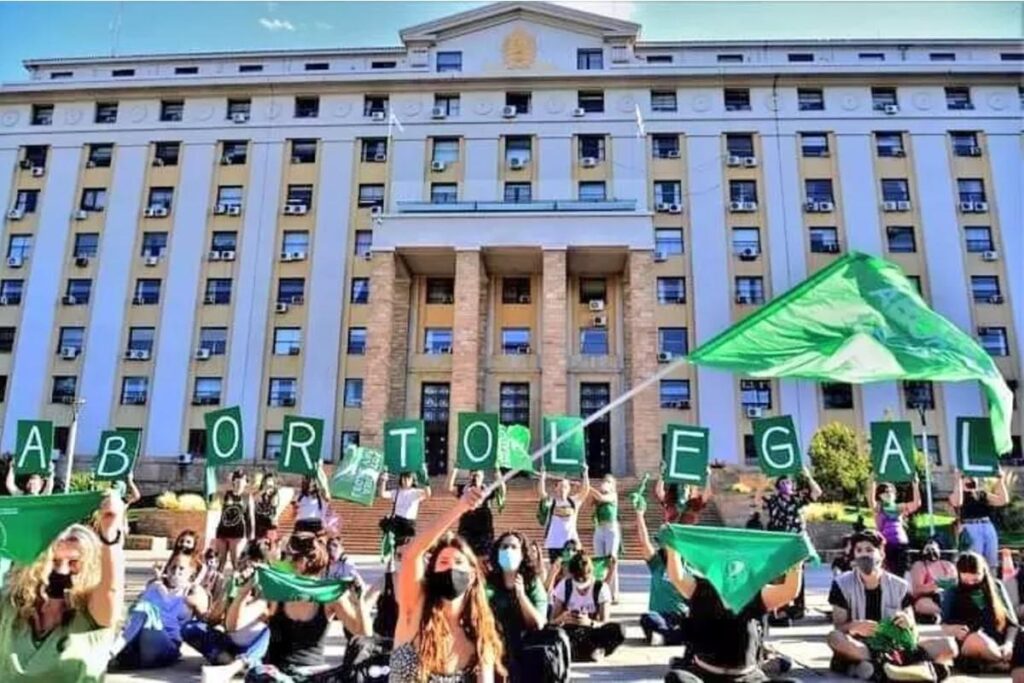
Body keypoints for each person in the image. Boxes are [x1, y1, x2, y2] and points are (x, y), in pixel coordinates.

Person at [0, 491, 125, 682]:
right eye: (53, 561)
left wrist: (109, 537)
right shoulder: (11, 605)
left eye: (74, 562)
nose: (62, 570)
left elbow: (111, 590)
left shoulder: (93, 614)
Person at [390, 485, 506, 682]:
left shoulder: (480, 633)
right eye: (443, 562)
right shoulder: (414, 610)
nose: (451, 568)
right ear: (432, 571)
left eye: (459, 562)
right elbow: (411, 555)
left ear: (471, 576)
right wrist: (460, 507)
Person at [662, 541, 802, 683]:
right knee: (676, 678)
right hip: (704, 676)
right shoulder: (701, 589)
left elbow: (789, 591)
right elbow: (676, 577)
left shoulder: (754, 593)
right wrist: (673, 545)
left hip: (749, 678)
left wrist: (797, 561)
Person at [827, 530, 955, 680]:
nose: (864, 555)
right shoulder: (841, 584)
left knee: (949, 646)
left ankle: (875, 668)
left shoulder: (899, 585)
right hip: (861, 644)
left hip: (895, 644)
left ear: (881, 553)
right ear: (854, 555)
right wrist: (854, 626)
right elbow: (839, 628)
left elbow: (911, 626)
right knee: (834, 638)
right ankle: (908, 665)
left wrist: (906, 621)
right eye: (859, 550)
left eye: (869, 550)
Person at [246, 531, 373, 682]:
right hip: (277, 674)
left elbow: (364, 635)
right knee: (258, 674)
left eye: (288, 556)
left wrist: (360, 601)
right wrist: (243, 591)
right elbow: (232, 624)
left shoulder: (330, 597)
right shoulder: (278, 592)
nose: (285, 561)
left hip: (313, 675)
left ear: (301, 563)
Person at [182, 541, 273, 681]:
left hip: (254, 647)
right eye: (243, 556)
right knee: (190, 628)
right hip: (230, 645)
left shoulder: (267, 590)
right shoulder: (234, 583)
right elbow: (213, 620)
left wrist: (245, 593)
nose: (244, 562)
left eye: (252, 559)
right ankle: (234, 664)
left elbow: (235, 625)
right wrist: (227, 591)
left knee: (268, 633)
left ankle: (238, 665)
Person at [109, 551, 210, 670]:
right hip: (140, 644)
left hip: (166, 646)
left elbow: (206, 621)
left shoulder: (193, 592)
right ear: (167, 569)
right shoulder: (155, 587)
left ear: (191, 572)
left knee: (146, 608)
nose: (176, 571)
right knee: (137, 609)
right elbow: (135, 613)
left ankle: (110, 655)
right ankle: (119, 653)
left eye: (181, 568)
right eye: (173, 567)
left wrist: (198, 605)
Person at [941, 551, 1018, 672]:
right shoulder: (952, 591)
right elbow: (944, 626)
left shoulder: (996, 586)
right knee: (977, 639)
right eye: (966, 581)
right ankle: (1007, 662)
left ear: (983, 572)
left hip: (1000, 641)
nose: (971, 584)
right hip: (971, 641)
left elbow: (1013, 624)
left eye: (975, 580)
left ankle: (997, 664)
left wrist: (1009, 645)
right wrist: (954, 629)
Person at [761, 469, 822, 623]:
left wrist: (807, 476)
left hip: (795, 542)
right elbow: (757, 499)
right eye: (782, 483)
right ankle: (779, 609)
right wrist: (764, 482)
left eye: (788, 482)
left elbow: (817, 492)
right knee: (778, 576)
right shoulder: (774, 500)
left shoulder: (798, 499)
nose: (786, 485)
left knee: (796, 573)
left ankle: (797, 608)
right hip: (778, 543)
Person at [485, 531, 547, 680]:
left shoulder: (532, 582)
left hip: (525, 648)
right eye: (504, 547)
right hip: (493, 645)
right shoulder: (488, 582)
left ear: (522, 554)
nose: (508, 551)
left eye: (514, 547)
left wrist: (521, 596)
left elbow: (538, 623)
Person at [549, 550, 625, 662]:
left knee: (618, 630)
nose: (580, 582)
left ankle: (592, 651)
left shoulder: (601, 588)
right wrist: (563, 618)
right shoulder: (565, 585)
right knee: (551, 634)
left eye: (583, 578)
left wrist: (588, 622)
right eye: (577, 578)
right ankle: (578, 652)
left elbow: (605, 622)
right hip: (569, 631)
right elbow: (552, 621)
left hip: (591, 631)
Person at [635, 500, 688, 646]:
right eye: (663, 542)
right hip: (660, 616)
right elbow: (644, 542)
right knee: (647, 619)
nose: (665, 545)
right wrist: (639, 515)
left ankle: (665, 637)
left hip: (681, 615)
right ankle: (675, 637)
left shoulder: (689, 566)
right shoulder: (657, 563)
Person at [950, 469, 1012, 569]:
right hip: (970, 526)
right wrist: (958, 481)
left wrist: (1001, 480)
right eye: (968, 477)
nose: (972, 479)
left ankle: (992, 580)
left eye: (973, 477)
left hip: (987, 525)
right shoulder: (958, 494)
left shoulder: (982, 494)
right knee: (975, 560)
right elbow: (957, 502)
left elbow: (1003, 500)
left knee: (991, 560)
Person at [446, 468, 506, 560]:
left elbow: (501, 489)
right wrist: (454, 469)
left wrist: (497, 471)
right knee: (464, 558)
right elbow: (449, 488)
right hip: (466, 531)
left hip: (484, 532)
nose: (475, 478)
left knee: (485, 560)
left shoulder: (487, 489)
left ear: (482, 477)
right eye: (473, 475)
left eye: (477, 476)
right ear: (469, 477)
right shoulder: (463, 489)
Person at [869, 476, 921, 577]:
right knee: (887, 572)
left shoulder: (899, 507)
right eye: (885, 492)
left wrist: (915, 485)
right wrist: (873, 483)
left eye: (891, 491)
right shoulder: (879, 508)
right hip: (886, 544)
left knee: (901, 571)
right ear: (879, 495)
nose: (888, 494)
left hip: (901, 543)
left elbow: (916, 504)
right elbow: (871, 501)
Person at [537, 467, 589, 565]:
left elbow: (585, 491)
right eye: (560, 487)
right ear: (556, 489)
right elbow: (542, 493)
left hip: (571, 543)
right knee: (556, 570)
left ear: (569, 489)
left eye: (565, 487)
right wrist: (542, 476)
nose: (562, 490)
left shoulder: (574, 502)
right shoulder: (552, 502)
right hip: (554, 542)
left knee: (572, 569)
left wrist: (585, 473)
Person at [589, 474, 622, 603]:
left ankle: (613, 594)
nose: (605, 484)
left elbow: (603, 498)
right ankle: (600, 592)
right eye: (604, 481)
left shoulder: (613, 495)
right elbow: (589, 504)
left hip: (611, 529)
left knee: (611, 560)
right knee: (599, 561)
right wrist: (586, 489)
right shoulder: (597, 496)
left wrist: (590, 488)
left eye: (608, 482)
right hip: (599, 528)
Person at [909, 539, 957, 624]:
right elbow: (916, 590)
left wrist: (943, 585)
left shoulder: (948, 565)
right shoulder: (919, 565)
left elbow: (954, 582)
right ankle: (946, 614)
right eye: (928, 548)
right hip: (928, 599)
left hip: (947, 596)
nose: (931, 552)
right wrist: (936, 585)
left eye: (934, 548)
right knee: (921, 604)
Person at [379, 470, 431, 548]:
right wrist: (383, 481)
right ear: (401, 479)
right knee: (396, 542)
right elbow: (382, 494)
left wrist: (426, 482)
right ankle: (392, 556)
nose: (406, 481)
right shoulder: (396, 492)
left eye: (408, 479)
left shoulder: (416, 492)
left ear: (412, 480)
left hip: (409, 522)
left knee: (409, 544)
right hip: (398, 520)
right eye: (404, 479)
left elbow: (428, 494)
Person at [214, 469, 253, 572]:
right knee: (220, 561)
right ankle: (217, 584)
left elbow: (250, 517)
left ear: (246, 482)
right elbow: (215, 491)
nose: (239, 481)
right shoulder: (226, 494)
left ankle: (238, 583)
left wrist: (251, 536)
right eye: (237, 479)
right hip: (223, 530)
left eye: (242, 479)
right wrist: (228, 482)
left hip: (237, 532)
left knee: (235, 560)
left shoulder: (247, 497)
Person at [253, 471, 281, 542]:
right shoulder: (259, 493)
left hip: (270, 525)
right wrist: (263, 490)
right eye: (267, 481)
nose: (269, 483)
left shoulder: (275, 494)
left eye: (271, 481)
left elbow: (274, 504)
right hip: (258, 524)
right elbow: (252, 499)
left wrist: (271, 493)